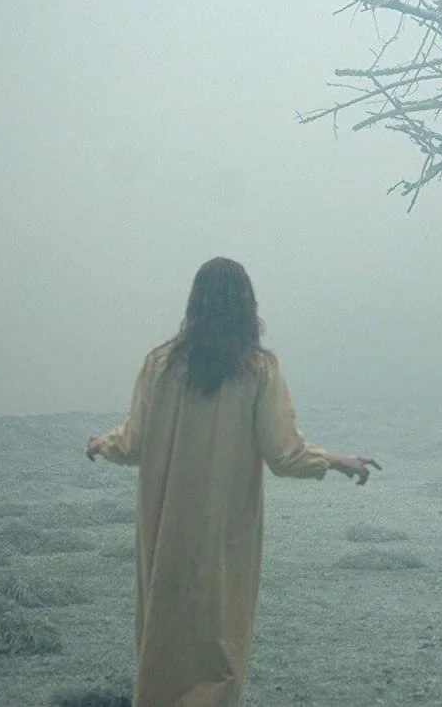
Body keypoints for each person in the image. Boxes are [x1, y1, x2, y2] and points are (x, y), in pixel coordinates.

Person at [85, 256, 380, 707]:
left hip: (166, 532)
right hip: (224, 535)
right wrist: (337, 460)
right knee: (220, 639)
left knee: (162, 634)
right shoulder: (257, 370)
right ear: (247, 305)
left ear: (195, 302)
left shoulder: (160, 365)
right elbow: (284, 454)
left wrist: (103, 443)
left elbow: (133, 441)